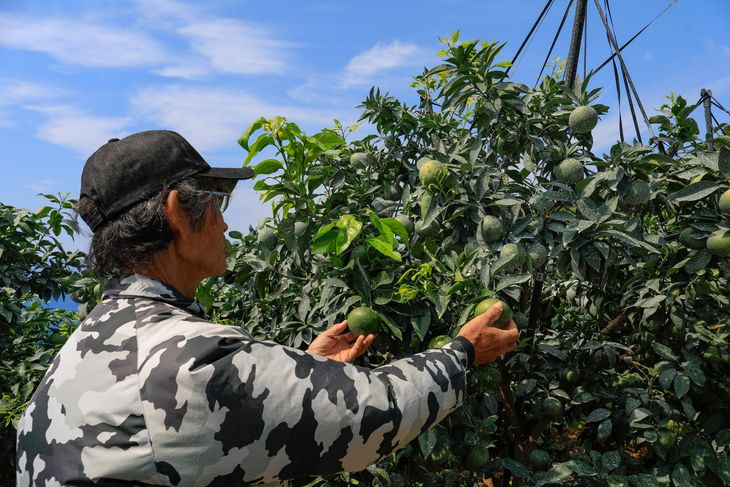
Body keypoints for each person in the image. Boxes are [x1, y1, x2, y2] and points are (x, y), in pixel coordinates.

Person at [16, 130, 520, 486]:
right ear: (176, 212)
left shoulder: (82, 346)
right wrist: (461, 354)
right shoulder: (188, 359)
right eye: (218, 203)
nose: (226, 225)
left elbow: (206, 438)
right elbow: (375, 413)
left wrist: (307, 371)